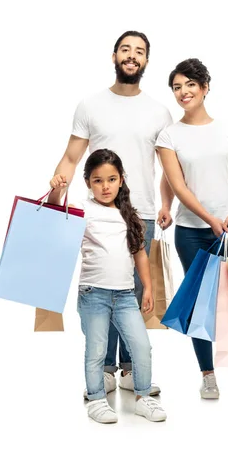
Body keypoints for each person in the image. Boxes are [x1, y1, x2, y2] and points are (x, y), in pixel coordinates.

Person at [48, 31, 174, 397]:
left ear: (146, 61)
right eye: (126, 49)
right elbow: (72, 158)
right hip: (97, 212)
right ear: (114, 56)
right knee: (103, 287)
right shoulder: (91, 105)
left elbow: (170, 168)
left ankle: (131, 370)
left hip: (143, 212)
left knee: (132, 294)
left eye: (139, 51)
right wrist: (59, 183)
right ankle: (104, 369)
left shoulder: (158, 112)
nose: (132, 56)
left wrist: (167, 205)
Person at [156, 58, 228, 399]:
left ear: (205, 87)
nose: (183, 93)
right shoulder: (169, 135)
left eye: (190, 85)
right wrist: (208, 219)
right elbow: (177, 184)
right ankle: (208, 374)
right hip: (191, 230)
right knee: (200, 303)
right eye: (177, 87)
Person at [77, 149, 167, 423]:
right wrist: (56, 191)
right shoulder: (84, 210)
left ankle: (143, 397)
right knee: (97, 349)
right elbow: (57, 215)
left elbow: (140, 254)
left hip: (126, 295)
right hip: (93, 294)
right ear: (88, 183)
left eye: (111, 179)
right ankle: (96, 400)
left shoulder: (130, 215)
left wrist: (148, 288)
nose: (105, 187)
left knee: (141, 346)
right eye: (98, 181)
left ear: (121, 180)